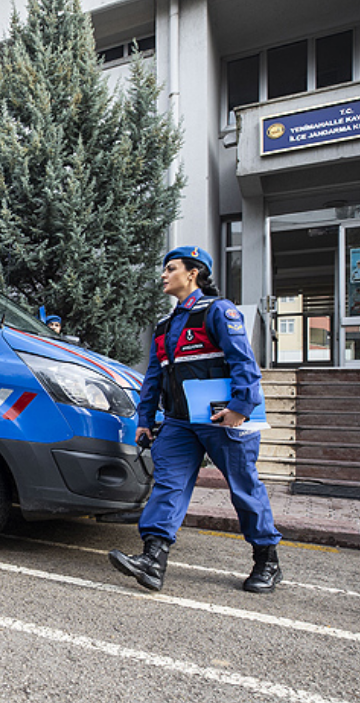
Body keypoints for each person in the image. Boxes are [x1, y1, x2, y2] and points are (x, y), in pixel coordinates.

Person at [108, 245, 282, 593]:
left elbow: (244, 364)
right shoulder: (165, 326)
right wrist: (145, 419)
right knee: (169, 485)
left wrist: (241, 408)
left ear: (193, 273)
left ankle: (268, 561)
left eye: (170, 268)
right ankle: (153, 560)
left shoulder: (218, 311)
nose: (163, 274)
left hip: (222, 419)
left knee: (243, 488)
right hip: (178, 422)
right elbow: (154, 377)